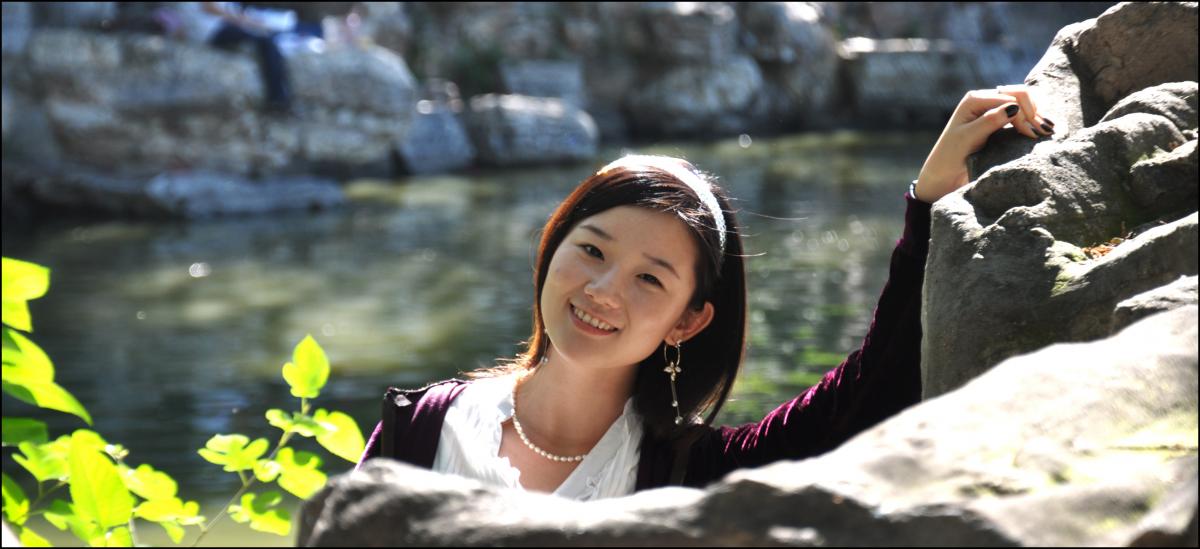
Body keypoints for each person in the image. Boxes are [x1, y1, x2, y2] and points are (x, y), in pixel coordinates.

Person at [355, 85, 1055, 500]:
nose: (603, 289)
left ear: (688, 321)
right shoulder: (424, 429)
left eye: (649, 278)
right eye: (591, 249)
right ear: (552, 248)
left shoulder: (694, 471)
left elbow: (870, 387)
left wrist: (929, 204)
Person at [168, 2, 297, 114]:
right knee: (265, 42)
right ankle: (277, 99)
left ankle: (279, 97)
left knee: (267, 41)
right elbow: (209, 8)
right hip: (210, 30)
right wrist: (245, 20)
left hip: (213, 27)